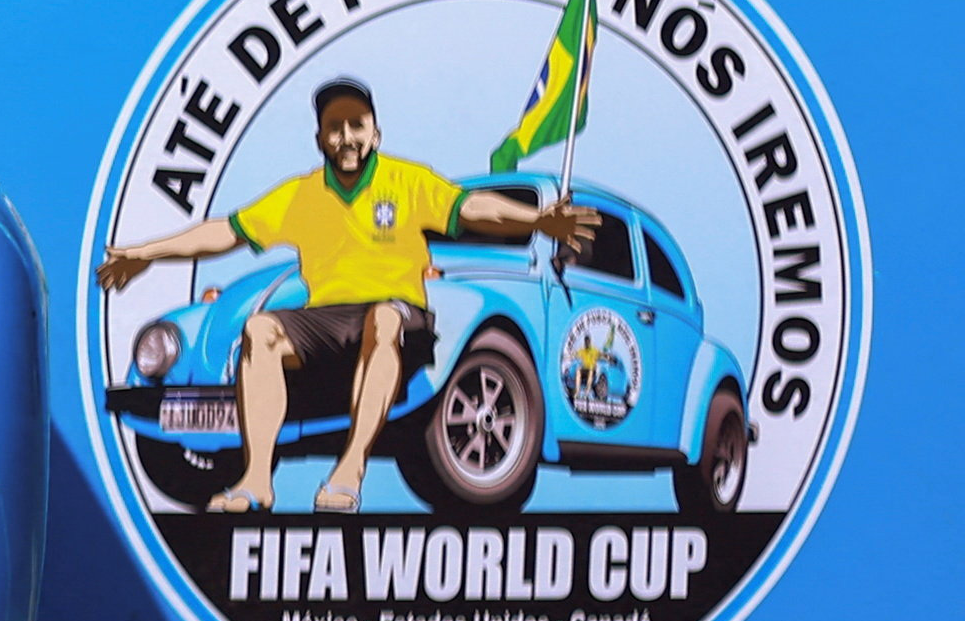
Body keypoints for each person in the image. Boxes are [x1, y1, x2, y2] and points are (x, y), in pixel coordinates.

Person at [97, 77, 596, 513]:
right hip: (328, 319)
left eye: (356, 125)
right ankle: (255, 478)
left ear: (375, 132)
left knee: (384, 319)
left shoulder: (408, 182)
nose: (346, 137)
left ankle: (350, 467)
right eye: (334, 127)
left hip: (399, 310)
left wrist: (536, 219)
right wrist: (147, 251)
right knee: (261, 329)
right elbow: (224, 231)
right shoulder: (303, 194)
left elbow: (472, 210)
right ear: (320, 138)